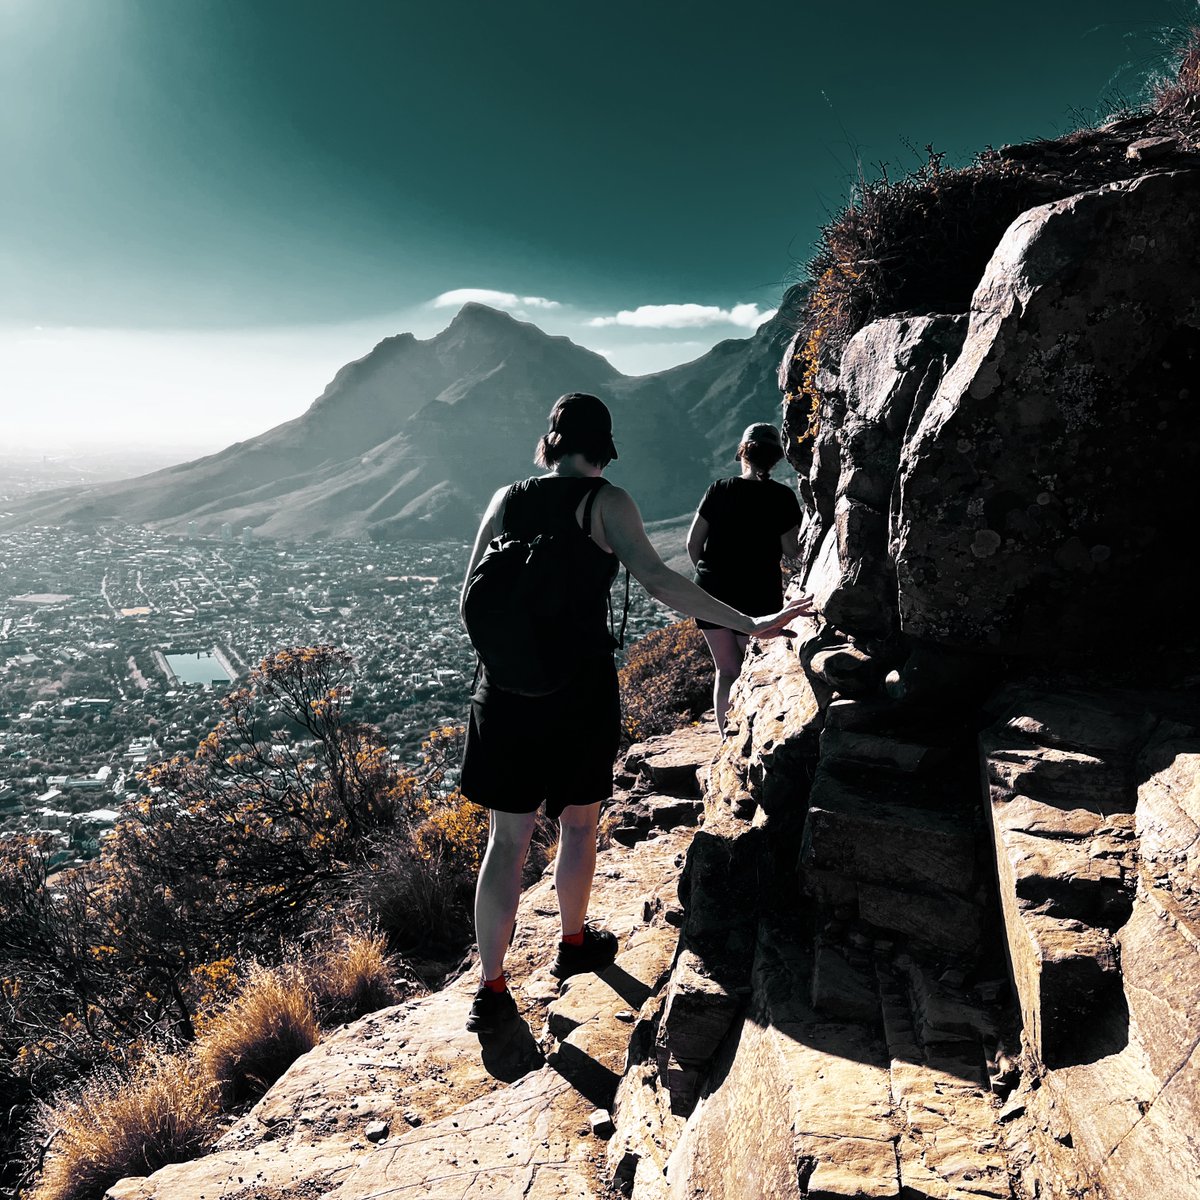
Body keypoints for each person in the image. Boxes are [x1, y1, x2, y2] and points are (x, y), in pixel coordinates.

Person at [458, 395, 813, 1034]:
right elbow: (659, 579)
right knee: (578, 825)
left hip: (504, 693)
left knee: (504, 841)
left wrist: (515, 662)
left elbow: (470, 597)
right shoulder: (606, 503)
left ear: (550, 443)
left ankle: (491, 987)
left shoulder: (504, 498)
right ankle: (572, 944)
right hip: (579, 691)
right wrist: (751, 624)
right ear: (605, 447)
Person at [687, 423, 803, 734]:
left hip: (711, 589)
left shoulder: (719, 489)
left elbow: (692, 543)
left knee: (726, 670)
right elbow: (792, 549)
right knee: (755, 666)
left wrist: (709, 576)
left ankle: (727, 738)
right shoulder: (782, 496)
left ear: (742, 451)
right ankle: (753, 736)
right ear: (776, 458)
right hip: (758, 592)